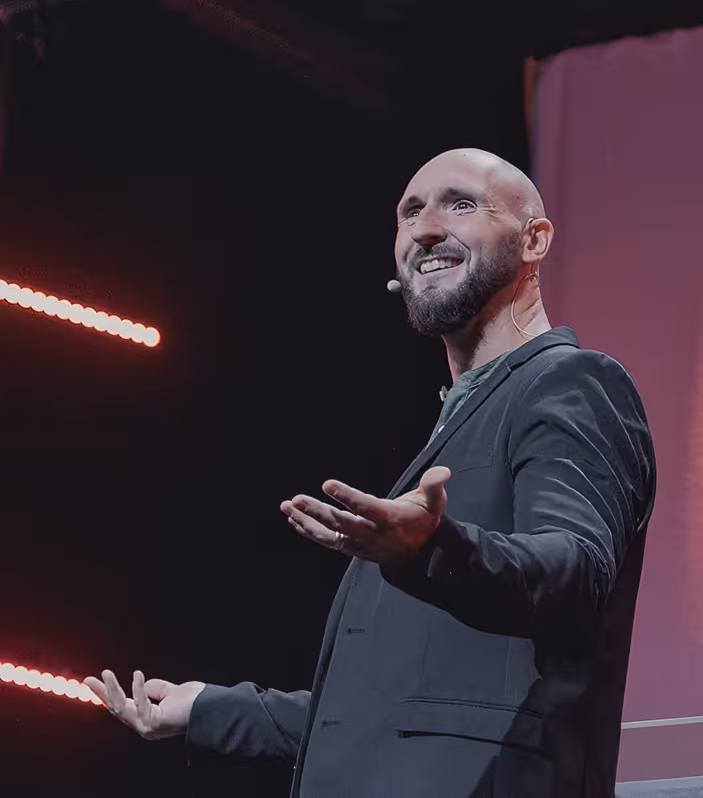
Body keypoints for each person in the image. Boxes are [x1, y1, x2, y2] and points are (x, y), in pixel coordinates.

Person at [86, 148, 656, 797]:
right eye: (409, 213)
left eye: (460, 203)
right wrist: (211, 707)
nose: (426, 227)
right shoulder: (457, 429)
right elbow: (392, 717)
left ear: (534, 238)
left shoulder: (573, 384)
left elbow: (575, 570)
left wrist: (435, 551)